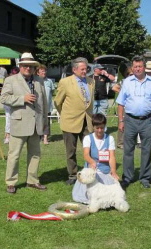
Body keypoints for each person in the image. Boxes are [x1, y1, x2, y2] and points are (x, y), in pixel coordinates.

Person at [0, 53, 48, 193]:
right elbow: (4, 98)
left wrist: (45, 121)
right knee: (14, 155)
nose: (28, 68)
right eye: (25, 65)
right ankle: (11, 182)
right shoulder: (10, 80)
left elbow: (44, 101)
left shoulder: (39, 80)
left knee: (35, 154)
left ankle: (32, 181)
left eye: (31, 66)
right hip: (19, 123)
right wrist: (22, 98)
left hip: (36, 124)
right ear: (20, 66)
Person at [116, 56, 151, 189]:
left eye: (140, 66)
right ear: (132, 68)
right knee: (128, 150)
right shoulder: (127, 82)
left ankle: (145, 178)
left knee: (146, 150)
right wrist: (121, 120)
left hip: (147, 120)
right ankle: (127, 177)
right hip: (130, 120)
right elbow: (120, 103)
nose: (137, 69)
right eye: (135, 67)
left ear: (144, 67)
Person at [54, 57, 95, 185]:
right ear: (74, 69)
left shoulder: (91, 81)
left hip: (87, 122)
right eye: (82, 69)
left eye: (86, 69)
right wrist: (65, 114)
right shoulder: (65, 82)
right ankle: (72, 175)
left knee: (90, 149)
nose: (85, 71)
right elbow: (57, 102)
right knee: (70, 151)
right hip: (70, 122)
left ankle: (90, 172)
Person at [72, 113, 120, 203]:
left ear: (105, 126)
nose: (99, 130)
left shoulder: (110, 139)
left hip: (104, 171)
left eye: (102, 128)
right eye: (97, 128)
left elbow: (112, 157)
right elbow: (86, 155)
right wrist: (91, 162)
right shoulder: (88, 138)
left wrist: (113, 171)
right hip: (91, 171)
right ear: (93, 127)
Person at [37, 64, 55, 145]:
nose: (44, 72)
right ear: (38, 73)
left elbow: (52, 91)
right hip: (37, 107)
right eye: (42, 71)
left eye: (45, 71)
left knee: (46, 122)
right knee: (38, 122)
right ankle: (39, 136)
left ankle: (45, 138)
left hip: (48, 106)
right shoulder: (35, 81)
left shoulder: (49, 81)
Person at [3, 67, 20, 144]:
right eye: (13, 74)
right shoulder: (8, 81)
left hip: (18, 102)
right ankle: (7, 136)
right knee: (8, 120)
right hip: (9, 103)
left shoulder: (21, 81)